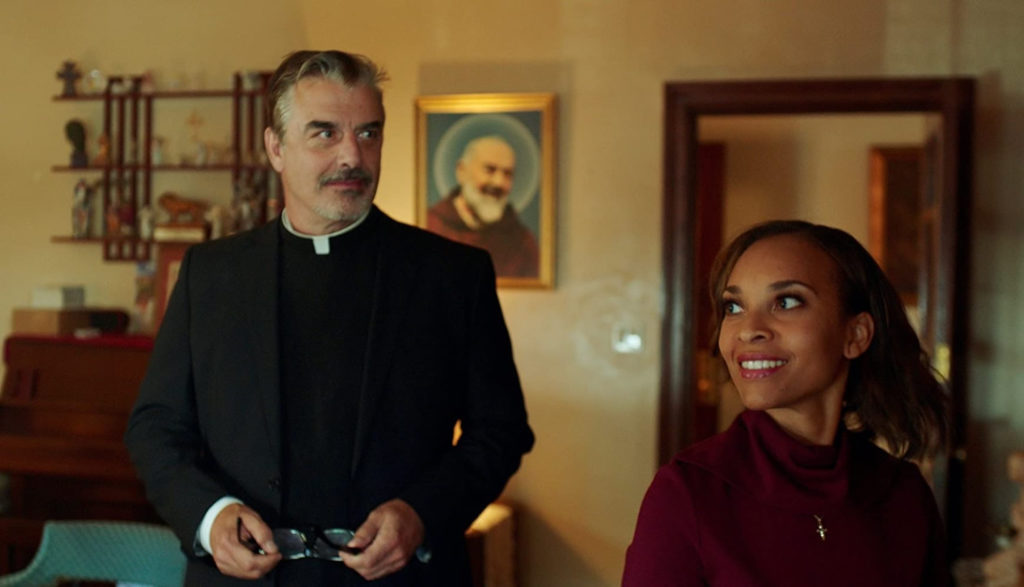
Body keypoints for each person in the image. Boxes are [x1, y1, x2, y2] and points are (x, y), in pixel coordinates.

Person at [124, 50, 534, 586]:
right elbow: (156, 426)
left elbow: (500, 431)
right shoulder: (210, 275)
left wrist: (421, 514)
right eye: (324, 133)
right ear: (276, 147)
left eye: (368, 134)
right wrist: (210, 517)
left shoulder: (453, 276)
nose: (352, 157)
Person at [622, 220, 951, 586]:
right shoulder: (686, 494)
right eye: (734, 307)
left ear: (855, 335)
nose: (749, 329)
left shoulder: (904, 495)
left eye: (786, 301)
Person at [426, 135, 540, 278]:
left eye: (507, 174)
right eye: (490, 170)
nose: (499, 182)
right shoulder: (431, 225)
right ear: (461, 171)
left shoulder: (523, 241)